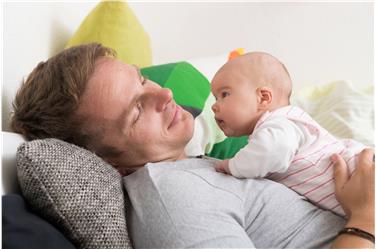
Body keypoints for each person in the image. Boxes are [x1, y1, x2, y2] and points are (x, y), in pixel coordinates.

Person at [11, 43, 374, 248]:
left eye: (142, 80)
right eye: (136, 111)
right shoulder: (172, 200)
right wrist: (364, 220)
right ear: (108, 162)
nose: (164, 93)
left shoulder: (199, 166)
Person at [211, 52, 366, 216]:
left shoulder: (280, 123)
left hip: (358, 173)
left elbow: (271, 149)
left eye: (225, 94)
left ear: (263, 98)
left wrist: (232, 166)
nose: (214, 106)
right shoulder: (278, 126)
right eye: (215, 98)